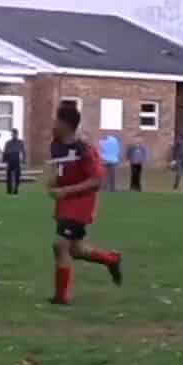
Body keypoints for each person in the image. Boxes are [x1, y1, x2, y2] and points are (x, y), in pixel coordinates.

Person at [48, 103, 124, 306]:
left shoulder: (84, 149)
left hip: (81, 203)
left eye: (56, 120)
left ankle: (61, 296)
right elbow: (60, 171)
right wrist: (55, 181)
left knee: (60, 244)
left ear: (65, 124)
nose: (52, 124)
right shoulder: (55, 145)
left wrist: (66, 190)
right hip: (65, 204)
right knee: (76, 249)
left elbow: (97, 180)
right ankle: (111, 259)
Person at [3, 128, 26, 194]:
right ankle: (9, 190)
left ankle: (16, 189)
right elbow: (5, 152)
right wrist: (4, 160)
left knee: (17, 176)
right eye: (12, 134)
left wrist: (24, 159)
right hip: (10, 160)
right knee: (9, 176)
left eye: (14, 134)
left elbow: (23, 151)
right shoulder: (8, 143)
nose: (13, 135)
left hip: (17, 160)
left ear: (17, 134)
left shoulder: (20, 142)